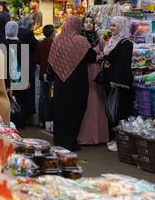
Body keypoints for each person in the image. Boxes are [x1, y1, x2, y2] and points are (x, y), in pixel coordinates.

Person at [48, 17, 96, 151]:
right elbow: (92, 57)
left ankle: (58, 140)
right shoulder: (81, 41)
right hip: (77, 84)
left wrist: (51, 78)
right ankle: (70, 142)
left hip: (60, 83)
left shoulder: (57, 40)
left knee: (60, 112)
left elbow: (51, 62)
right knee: (75, 111)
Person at [103, 16, 134, 152]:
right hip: (112, 82)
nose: (112, 28)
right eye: (111, 25)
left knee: (120, 112)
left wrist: (116, 81)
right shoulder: (113, 41)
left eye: (114, 25)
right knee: (113, 112)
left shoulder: (126, 43)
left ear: (121, 26)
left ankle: (120, 141)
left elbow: (122, 65)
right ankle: (115, 139)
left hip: (120, 83)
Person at [78, 14, 109, 145]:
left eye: (91, 22)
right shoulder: (79, 39)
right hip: (83, 72)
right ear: (83, 24)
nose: (89, 24)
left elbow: (105, 52)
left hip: (96, 73)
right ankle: (85, 136)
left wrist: (98, 57)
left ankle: (100, 136)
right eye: (86, 22)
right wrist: (97, 56)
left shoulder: (99, 39)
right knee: (86, 102)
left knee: (97, 101)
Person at [35, 24, 55, 130]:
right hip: (52, 74)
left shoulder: (40, 44)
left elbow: (37, 59)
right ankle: (49, 120)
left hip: (42, 74)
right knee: (51, 98)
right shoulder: (55, 44)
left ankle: (41, 120)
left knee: (42, 98)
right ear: (52, 33)